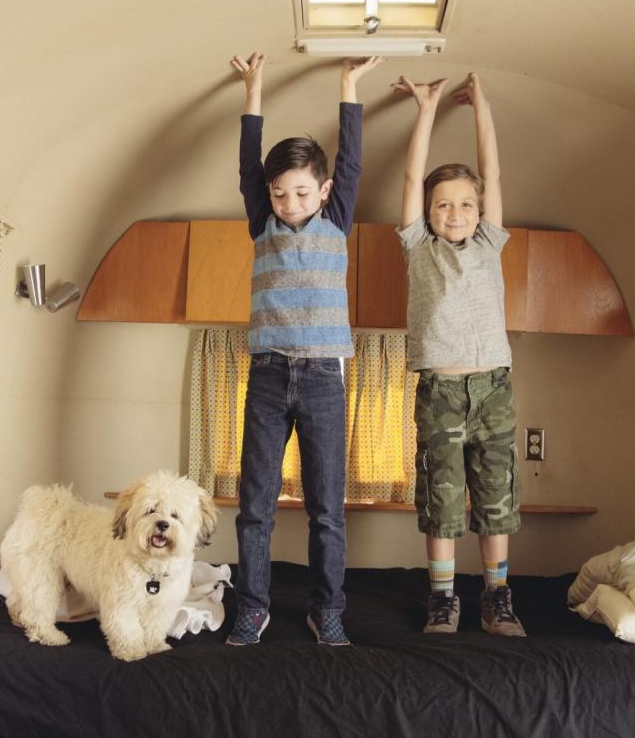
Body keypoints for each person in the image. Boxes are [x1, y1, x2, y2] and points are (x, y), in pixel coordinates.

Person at [225, 51, 381, 647]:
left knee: (326, 510)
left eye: (300, 192)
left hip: (322, 378)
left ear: (321, 191)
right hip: (267, 375)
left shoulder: (336, 220)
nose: (289, 203)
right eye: (279, 193)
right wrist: (253, 88)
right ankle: (253, 608)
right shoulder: (262, 223)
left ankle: (328, 610)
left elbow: (354, 159)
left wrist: (348, 84)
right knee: (255, 506)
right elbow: (246, 163)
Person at [392, 72, 525, 636]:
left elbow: (492, 171)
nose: (456, 212)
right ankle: (443, 599)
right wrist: (426, 108)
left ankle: (497, 595)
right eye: (443, 204)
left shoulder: (490, 240)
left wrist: (482, 108)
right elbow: (409, 173)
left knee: (496, 501)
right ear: (428, 210)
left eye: (466, 203)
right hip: (440, 392)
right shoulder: (418, 246)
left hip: (492, 388)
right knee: (443, 501)